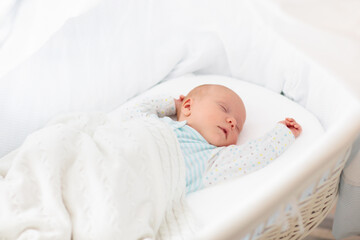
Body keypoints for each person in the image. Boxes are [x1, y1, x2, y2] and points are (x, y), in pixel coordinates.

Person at [120, 84, 302, 194]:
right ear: (189, 106)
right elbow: (133, 113)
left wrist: (282, 134)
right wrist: (174, 105)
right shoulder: (159, 124)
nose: (232, 122)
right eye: (223, 109)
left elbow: (252, 156)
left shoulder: (211, 160)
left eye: (238, 127)